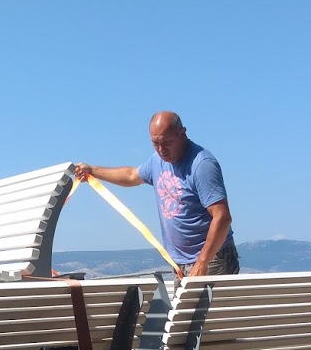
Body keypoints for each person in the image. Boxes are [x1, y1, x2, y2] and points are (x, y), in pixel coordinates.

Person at [74, 111, 238, 276]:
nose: (161, 150)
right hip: (180, 262)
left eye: (167, 143)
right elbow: (131, 176)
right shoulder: (157, 161)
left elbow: (222, 217)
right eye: (155, 143)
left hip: (212, 259)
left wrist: (202, 263)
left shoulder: (202, 165)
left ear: (182, 134)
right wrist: (92, 170)